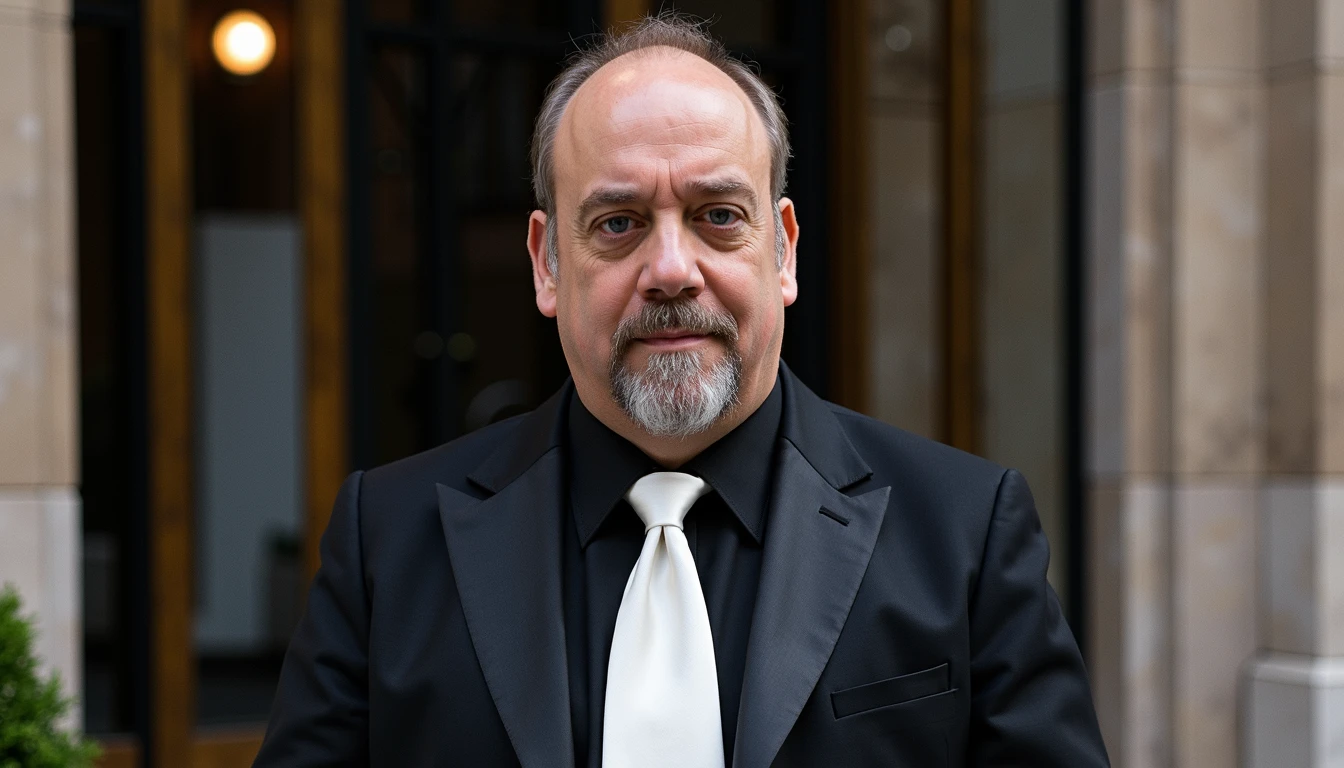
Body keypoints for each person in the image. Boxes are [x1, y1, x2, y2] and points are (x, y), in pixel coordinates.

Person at [254, 15, 1109, 768]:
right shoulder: (390, 544)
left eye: (717, 215)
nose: (670, 270)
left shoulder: (962, 532)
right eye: (619, 223)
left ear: (783, 250)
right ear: (548, 263)